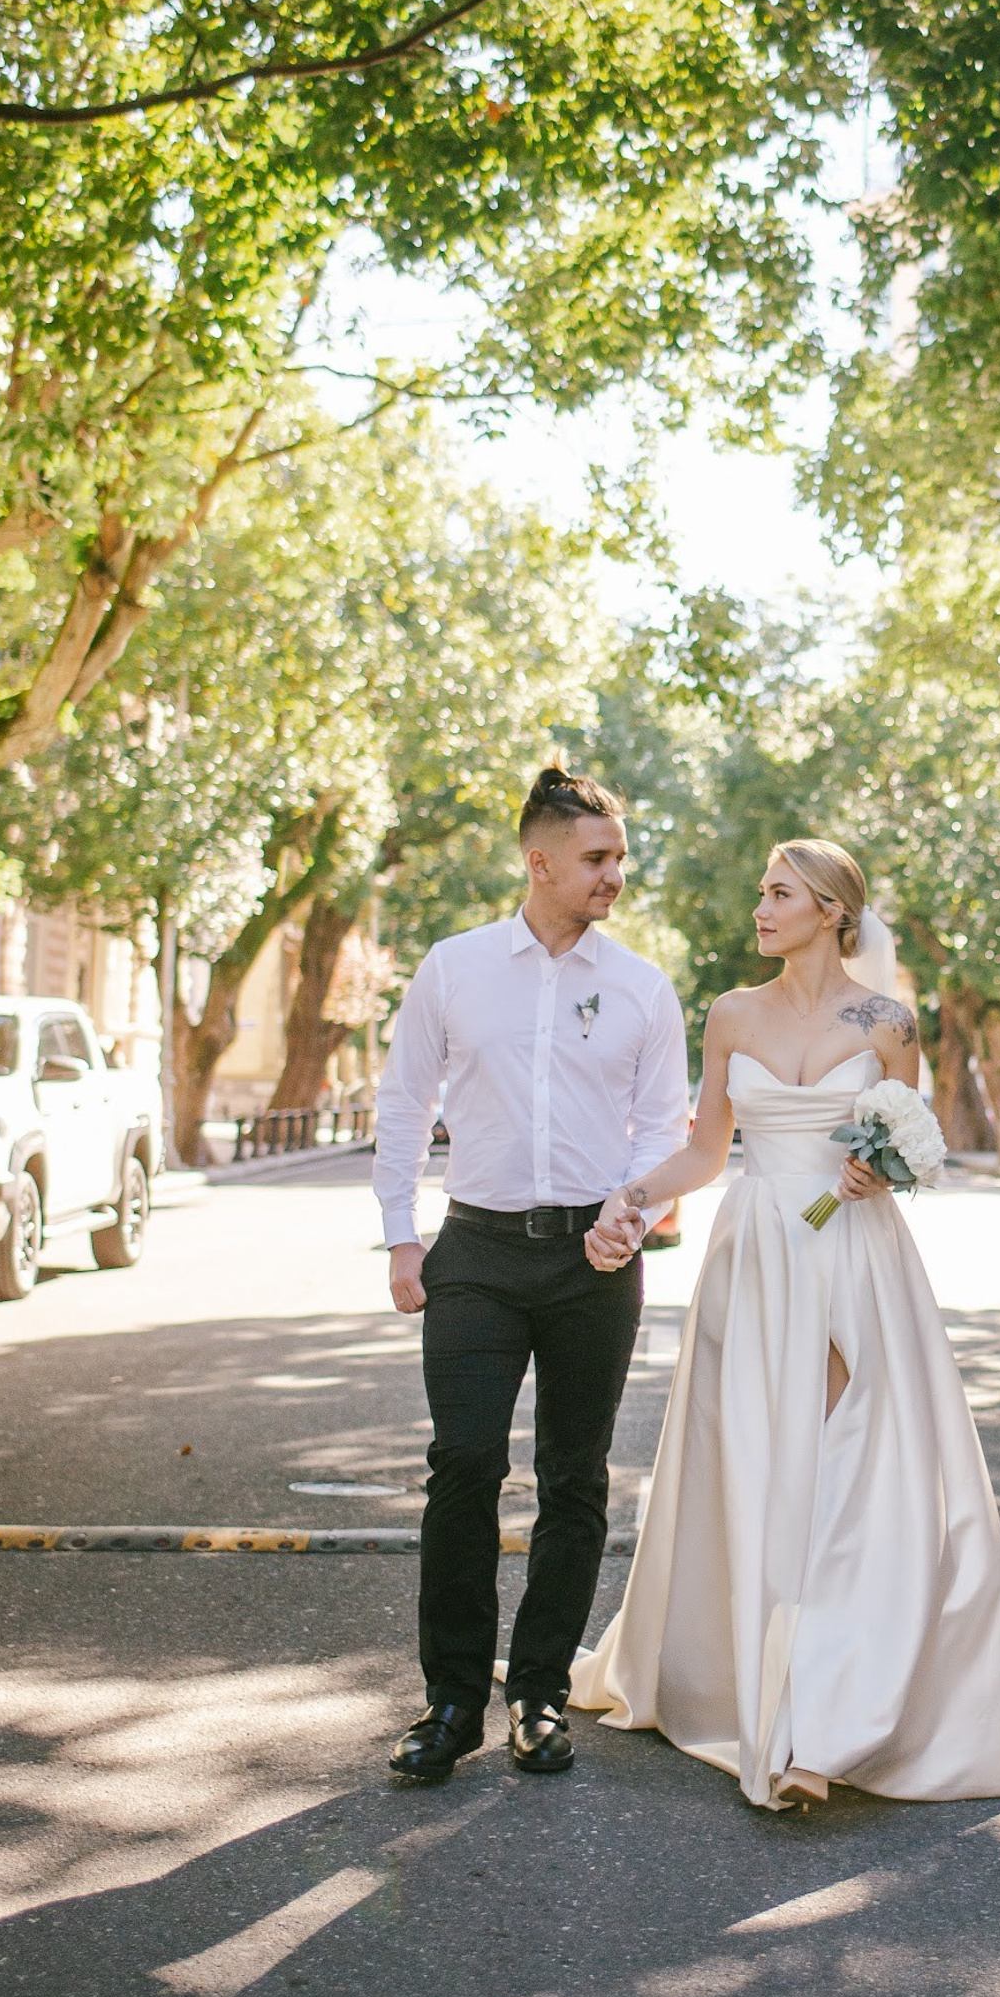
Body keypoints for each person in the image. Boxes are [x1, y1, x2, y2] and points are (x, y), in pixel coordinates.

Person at [568, 837, 1000, 1810]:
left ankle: (834, 1718)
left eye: (779, 893)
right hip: (758, 1253)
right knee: (764, 1469)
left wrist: (882, 1167)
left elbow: (906, 1141)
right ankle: (769, 1693)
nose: (759, 907)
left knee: (852, 1472)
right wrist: (631, 1197)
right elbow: (708, 1150)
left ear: (833, 910)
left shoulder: (890, 1022)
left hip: (851, 1252)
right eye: (762, 891)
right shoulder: (730, 1015)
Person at [374, 765, 687, 1786]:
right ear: (539, 860)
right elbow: (404, 1101)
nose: (615, 875)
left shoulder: (641, 985)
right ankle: (454, 1700)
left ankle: (541, 1694)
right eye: (597, 858)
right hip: (476, 1253)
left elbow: (662, 1127)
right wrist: (400, 1236)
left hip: (593, 1264)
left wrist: (630, 1214)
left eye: (620, 856)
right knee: (463, 1464)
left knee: (573, 1479)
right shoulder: (454, 968)